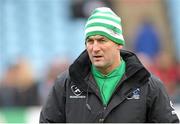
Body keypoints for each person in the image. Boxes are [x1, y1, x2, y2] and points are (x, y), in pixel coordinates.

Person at [39, 7, 179, 123]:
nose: (95, 48)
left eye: (102, 40)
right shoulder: (65, 84)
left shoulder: (148, 85)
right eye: (90, 41)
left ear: (118, 43)